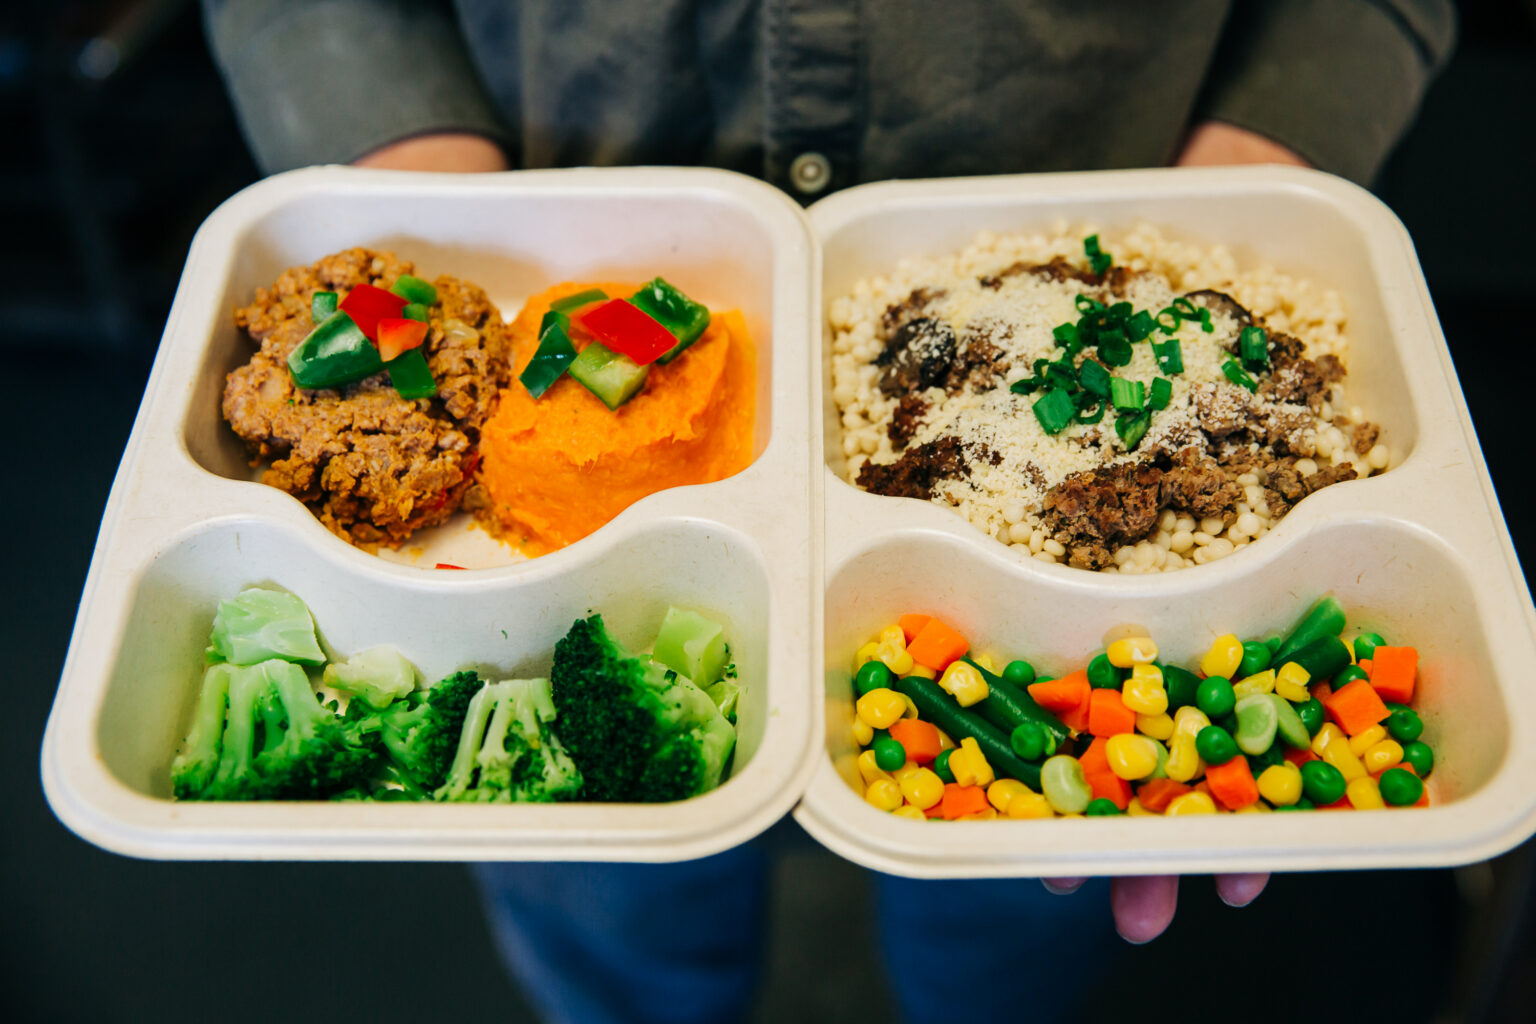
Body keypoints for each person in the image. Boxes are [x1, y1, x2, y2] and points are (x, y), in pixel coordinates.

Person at [199, 3, 1456, 1020]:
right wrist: (428, 187)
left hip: (1084, 221)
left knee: (1008, 928)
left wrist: (1240, 190)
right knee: (618, 931)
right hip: (568, 248)